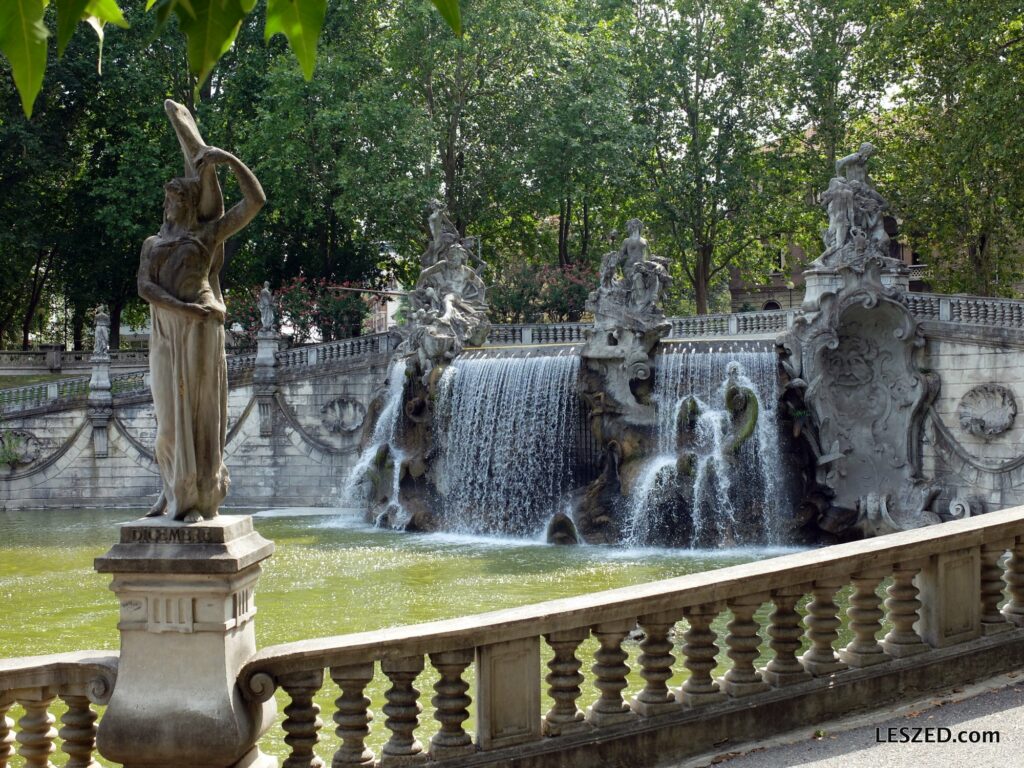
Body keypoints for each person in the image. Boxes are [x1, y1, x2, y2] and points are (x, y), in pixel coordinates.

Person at [139, 138, 265, 523]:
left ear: (191, 203)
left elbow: (256, 201)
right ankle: (171, 490)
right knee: (168, 421)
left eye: (175, 199)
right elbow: (144, 286)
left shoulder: (208, 235)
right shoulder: (152, 243)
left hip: (202, 328)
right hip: (168, 327)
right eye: (167, 199)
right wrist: (181, 308)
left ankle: (197, 498)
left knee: (201, 415)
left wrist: (227, 160)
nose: (168, 205)